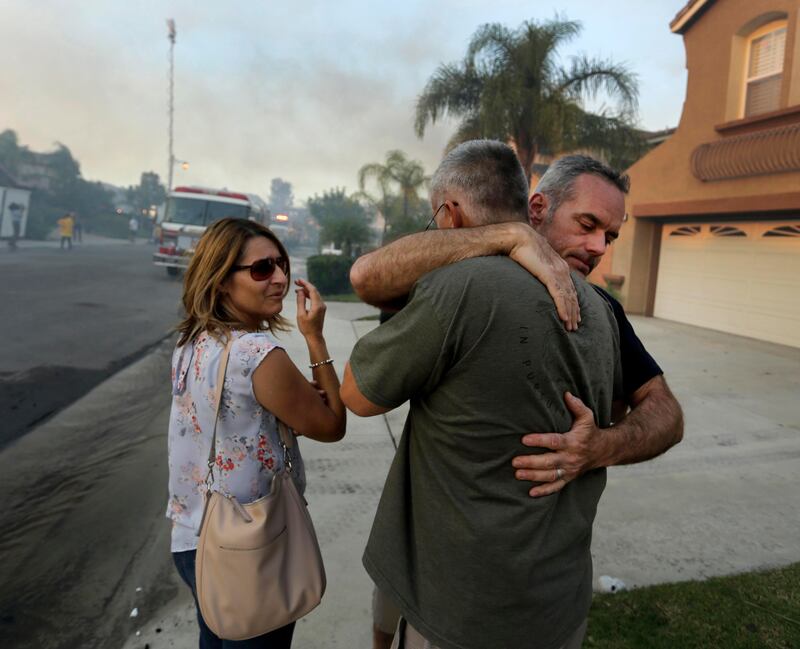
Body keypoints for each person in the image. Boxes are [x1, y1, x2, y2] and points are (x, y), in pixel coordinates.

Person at [350, 153, 684, 648]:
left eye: (610, 237)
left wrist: (600, 447)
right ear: (537, 208)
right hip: (451, 572)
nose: (598, 248)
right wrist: (506, 238)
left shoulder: (604, 311)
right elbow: (372, 277)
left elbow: (666, 412)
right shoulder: (459, 276)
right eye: (588, 225)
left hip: (482, 601)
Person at [167, 217, 346, 649]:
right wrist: (315, 339)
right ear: (223, 280)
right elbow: (332, 425)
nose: (281, 278)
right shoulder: (257, 354)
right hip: (249, 546)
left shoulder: (192, 342)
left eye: (281, 264)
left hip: (193, 538)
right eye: (262, 269)